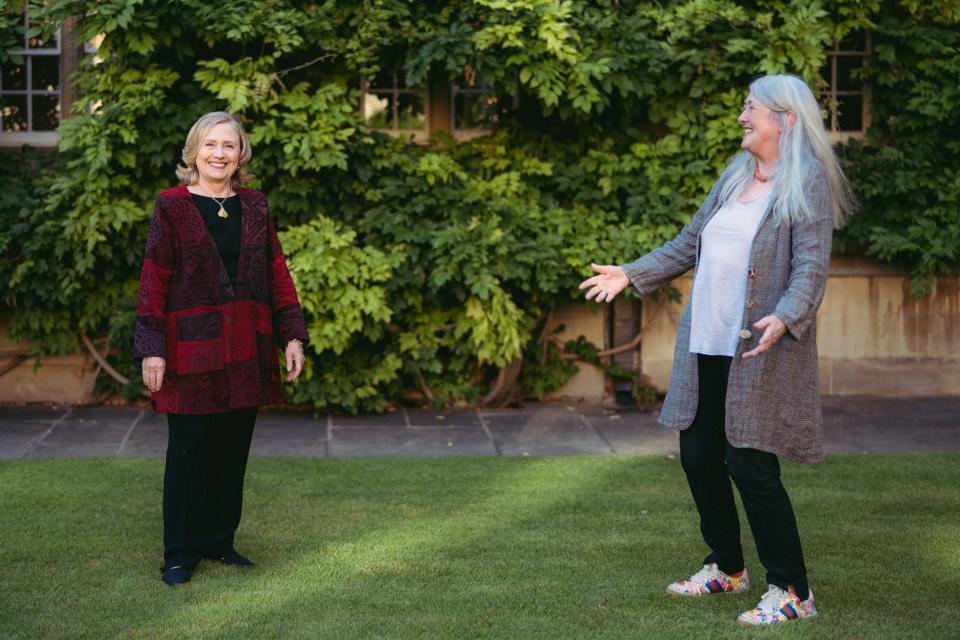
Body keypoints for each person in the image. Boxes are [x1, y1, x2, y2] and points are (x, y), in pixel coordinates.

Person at [579, 74, 855, 625]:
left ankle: (793, 590)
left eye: (750, 108)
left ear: (786, 119)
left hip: (757, 346)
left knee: (750, 462)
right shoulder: (736, 174)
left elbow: (810, 269)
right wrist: (632, 274)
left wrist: (784, 316)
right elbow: (689, 241)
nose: (741, 118)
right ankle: (728, 567)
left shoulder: (808, 186)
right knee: (699, 455)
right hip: (706, 338)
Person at [133, 111, 308, 586]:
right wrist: (153, 347)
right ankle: (179, 553)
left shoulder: (255, 207)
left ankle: (219, 541)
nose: (219, 154)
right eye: (210, 145)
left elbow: (277, 274)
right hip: (190, 347)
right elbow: (155, 279)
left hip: (247, 346)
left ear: (240, 155)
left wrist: (292, 334)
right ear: (194, 152)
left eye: (228, 146)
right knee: (189, 450)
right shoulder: (172, 206)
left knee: (232, 450)